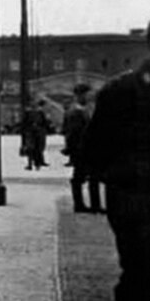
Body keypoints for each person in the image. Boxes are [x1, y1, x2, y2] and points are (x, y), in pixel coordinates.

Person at [83, 17, 150, 301]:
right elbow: (95, 147)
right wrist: (121, 177)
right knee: (141, 277)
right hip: (136, 198)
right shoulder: (121, 91)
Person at [62, 84, 102, 214]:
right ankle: (83, 205)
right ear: (80, 95)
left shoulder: (81, 110)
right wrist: (73, 148)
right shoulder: (76, 112)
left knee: (90, 177)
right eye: (87, 94)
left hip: (86, 148)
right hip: (82, 149)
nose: (89, 97)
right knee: (81, 177)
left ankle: (91, 205)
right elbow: (74, 133)